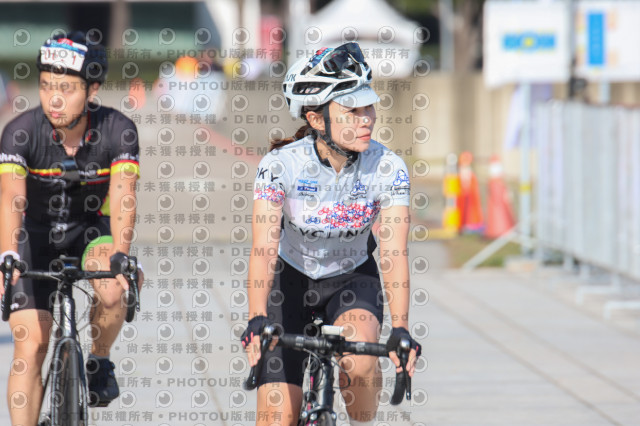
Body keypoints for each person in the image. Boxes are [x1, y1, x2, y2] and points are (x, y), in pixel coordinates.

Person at [241, 42, 421, 425]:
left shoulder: (387, 167)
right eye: (352, 111)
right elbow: (263, 248)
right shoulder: (280, 166)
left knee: (361, 364)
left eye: (368, 107)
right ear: (317, 119)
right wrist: (256, 318)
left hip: (351, 278)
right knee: (277, 417)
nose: (366, 119)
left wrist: (402, 328)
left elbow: (393, 253)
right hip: (289, 280)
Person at [0, 31, 141, 425]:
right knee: (31, 347)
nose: (54, 99)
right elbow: (11, 198)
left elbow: (124, 196)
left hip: (91, 231)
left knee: (114, 289)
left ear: (92, 89)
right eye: (46, 86)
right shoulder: (20, 132)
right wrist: (7, 252)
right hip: (33, 237)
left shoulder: (118, 129)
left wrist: (121, 254)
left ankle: (100, 359)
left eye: (66, 88)